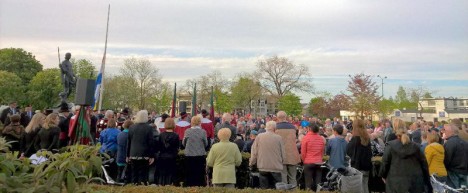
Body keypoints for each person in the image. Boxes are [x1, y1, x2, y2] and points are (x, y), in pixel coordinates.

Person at [380, 118, 432, 193]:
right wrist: (427, 181)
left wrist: (383, 175)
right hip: (415, 180)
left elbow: (385, 162)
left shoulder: (390, 145)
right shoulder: (416, 146)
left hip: (395, 180)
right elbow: (424, 164)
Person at [249, 121, 285, 189]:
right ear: (275, 128)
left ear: (266, 128)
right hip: (276, 167)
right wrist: (281, 162)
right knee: (277, 188)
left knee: (264, 188)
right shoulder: (279, 138)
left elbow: (254, 152)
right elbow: (283, 154)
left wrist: (251, 163)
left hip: (263, 166)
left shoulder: (259, 136)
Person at [126, 110, 156, 185]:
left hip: (133, 154)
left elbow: (129, 142)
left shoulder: (131, 127)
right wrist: (152, 156)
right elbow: (151, 143)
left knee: (134, 174)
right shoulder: (148, 128)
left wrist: (127, 155)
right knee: (143, 176)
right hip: (144, 154)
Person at [274, 111, 301, 187]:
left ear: (278, 118)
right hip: (292, 155)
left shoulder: (275, 127)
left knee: (283, 178)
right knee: (293, 178)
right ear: (285, 117)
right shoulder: (293, 127)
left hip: (281, 155)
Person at [346, 119, 372, 193]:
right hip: (366, 166)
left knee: (357, 189)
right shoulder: (367, 138)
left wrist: (348, 139)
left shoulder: (355, 139)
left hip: (357, 167)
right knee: (365, 186)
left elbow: (348, 151)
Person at [183, 115, 208, 187]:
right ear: (199, 122)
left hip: (189, 155)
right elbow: (206, 143)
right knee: (199, 174)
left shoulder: (187, 131)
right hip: (200, 155)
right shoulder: (203, 132)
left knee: (189, 173)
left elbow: (184, 143)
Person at [301, 122, 325, 191]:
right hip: (318, 162)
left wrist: (304, 161)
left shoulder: (306, 138)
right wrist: (320, 159)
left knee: (308, 183)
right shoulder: (321, 138)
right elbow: (322, 152)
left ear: (309, 129)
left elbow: (303, 152)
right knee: (318, 184)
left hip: (308, 162)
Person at [443, 123, 468, 189]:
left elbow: (446, 158)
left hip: (453, 171)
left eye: (445, 130)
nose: (444, 132)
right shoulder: (465, 142)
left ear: (450, 132)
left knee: (454, 189)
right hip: (464, 171)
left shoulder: (449, 143)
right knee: (463, 190)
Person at [155, 118, 180, 185]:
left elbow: (158, 147)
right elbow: (177, 147)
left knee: (162, 175)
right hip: (172, 157)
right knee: (171, 174)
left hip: (162, 157)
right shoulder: (176, 135)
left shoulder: (161, 135)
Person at [116, 120, 133, 184]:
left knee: (119, 173)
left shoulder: (119, 134)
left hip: (119, 156)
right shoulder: (130, 135)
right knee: (127, 175)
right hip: (127, 158)